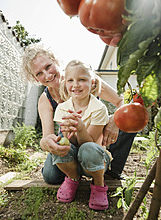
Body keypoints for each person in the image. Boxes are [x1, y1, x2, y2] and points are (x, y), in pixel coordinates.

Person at [21, 44, 136, 185]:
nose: (47, 75)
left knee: (131, 119)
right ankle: (77, 171)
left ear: (56, 61)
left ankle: (112, 172)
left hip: (96, 137)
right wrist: (46, 143)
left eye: (48, 67)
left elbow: (122, 100)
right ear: (35, 78)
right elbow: (47, 137)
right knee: (51, 176)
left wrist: (114, 120)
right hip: (71, 142)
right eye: (39, 73)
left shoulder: (84, 79)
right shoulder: (45, 100)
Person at [53, 60, 113, 209]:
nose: (76, 85)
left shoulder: (99, 108)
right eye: (71, 80)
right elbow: (70, 143)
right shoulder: (62, 108)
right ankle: (73, 178)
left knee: (89, 149)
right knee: (59, 146)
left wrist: (80, 128)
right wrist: (66, 134)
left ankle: (99, 183)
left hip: (96, 160)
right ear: (65, 83)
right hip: (75, 161)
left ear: (92, 83)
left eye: (82, 80)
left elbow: (89, 143)